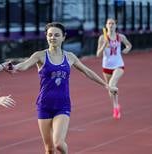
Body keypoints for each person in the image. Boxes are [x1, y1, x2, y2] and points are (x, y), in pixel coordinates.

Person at [12, 22, 117, 154]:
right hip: (44, 105)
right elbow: (24, 65)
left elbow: (87, 71)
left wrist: (106, 85)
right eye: (50, 35)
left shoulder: (70, 57)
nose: (53, 38)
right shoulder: (40, 55)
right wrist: (15, 67)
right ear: (46, 37)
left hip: (62, 105)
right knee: (49, 149)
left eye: (56, 35)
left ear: (63, 37)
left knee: (59, 144)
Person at [96, 18, 132, 119]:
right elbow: (98, 54)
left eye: (112, 23)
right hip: (106, 67)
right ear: (106, 25)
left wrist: (127, 49)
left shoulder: (120, 37)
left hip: (118, 65)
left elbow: (129, 45)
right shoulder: (102, 38)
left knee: (112, 84)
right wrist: (104, 46)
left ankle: (116, 106)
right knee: (110, 88)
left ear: (115, 25)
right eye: (109, 23)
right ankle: (116, 105)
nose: (111, 25)